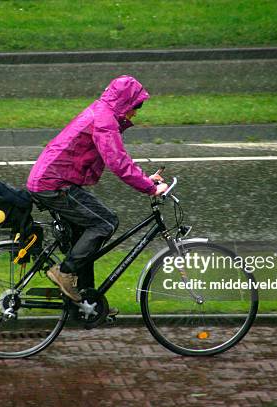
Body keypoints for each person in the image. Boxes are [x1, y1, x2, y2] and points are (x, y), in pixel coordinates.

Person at [27, 75, 168, 306]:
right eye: (135, 107)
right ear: (125, 102)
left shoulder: (101, 111)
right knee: (105, 223)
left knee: (85, 238)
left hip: (51, 180)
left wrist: (146, 179)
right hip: (54, 184)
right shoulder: (104, 121)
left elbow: (119, 158)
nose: (135, 113)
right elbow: (117, 162)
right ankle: (64, 272)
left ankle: (86, 303)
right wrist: (150, 188)